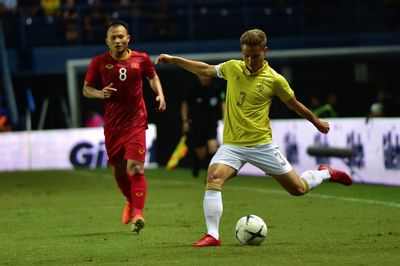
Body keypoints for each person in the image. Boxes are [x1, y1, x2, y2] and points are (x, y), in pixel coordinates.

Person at [155, 28, 352, 247]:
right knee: (213, 178)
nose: (249, 60)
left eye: (255, 55)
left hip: (262, 145)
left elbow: (294, 104)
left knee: (298, 189)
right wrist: (174, 60)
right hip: (232, 145)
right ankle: (213, 235)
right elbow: (204, 69)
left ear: (264, 51)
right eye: (245, 55)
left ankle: (324, 174)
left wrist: (316, 122)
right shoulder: (232, 68)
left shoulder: (275, 80)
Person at [83, 19, 166, 234]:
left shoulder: (142, 58)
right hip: (112, 125)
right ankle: (130, 201)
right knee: (118, 170)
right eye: (113, 37)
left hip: (136, 121)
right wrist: (100, 93)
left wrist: (160, 94)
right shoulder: (99, 63)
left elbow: (152, 76)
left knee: (136, 167)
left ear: (128, 38)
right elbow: (86, 89)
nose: (118, 40)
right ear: (107, 41)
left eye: (121, 36)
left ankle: (138, 213)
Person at [181, 75, 225, 177]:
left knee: (213, 148)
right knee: (201, 152)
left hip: (211, 123)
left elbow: (223, 103)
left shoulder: (216, 88)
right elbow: (185, 104)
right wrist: (185, 121)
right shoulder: (193, 88)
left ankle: (210, 174)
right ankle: (197, 164)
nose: (204, 77)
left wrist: (224, 116)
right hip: (196, 124)